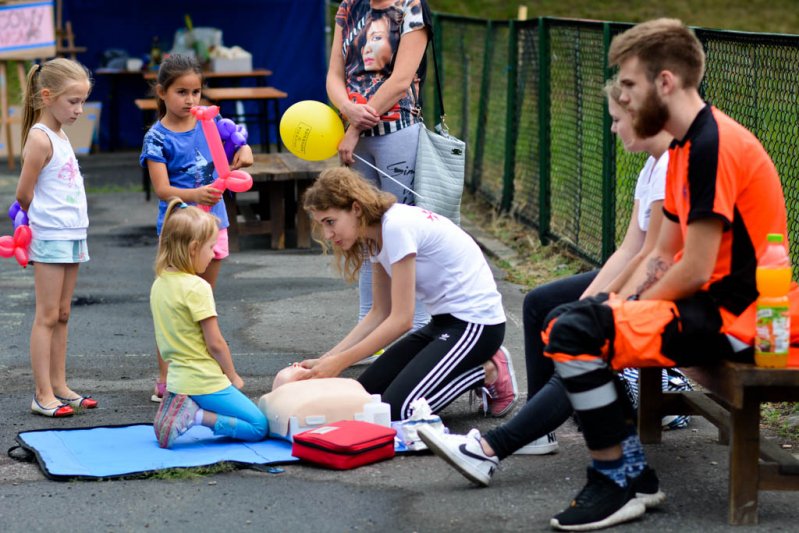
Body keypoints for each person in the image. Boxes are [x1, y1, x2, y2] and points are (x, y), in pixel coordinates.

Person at [543, 19, 787, 531]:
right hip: (706, 307)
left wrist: (621, 310)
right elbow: (659, 252)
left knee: (574, 332)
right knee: (569, 321)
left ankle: (616, 480)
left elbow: (694, 268)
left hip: (741, 320)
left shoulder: (714, 145)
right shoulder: (683, 146)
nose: (624, 99)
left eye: (629, 85)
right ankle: (632, 474)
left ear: (666, 82)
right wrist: (610, 303)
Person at [417, 80, 674, 487]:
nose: (612, 128)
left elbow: (656, 258)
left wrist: (596, 310)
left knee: (579, 332)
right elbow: (630, 249)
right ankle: (540, 429)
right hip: (652, 272)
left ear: (642, 117)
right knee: (543, 303)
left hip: (671, 286)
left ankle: (494, 446)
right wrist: (589, 302)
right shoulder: (652, 166)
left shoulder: (673, 163)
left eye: (617, 119)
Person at [295, 167, 518, 421]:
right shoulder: (373, 236)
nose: (327, 234)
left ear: (356, 208)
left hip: (476, 325)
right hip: (443, 324)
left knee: (398, 411)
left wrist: (340, 363)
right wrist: (328, 359)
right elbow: (379, 312)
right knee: (367, 397)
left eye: (330, 222)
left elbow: (402, 320)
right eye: (322, 224)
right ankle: (472, 364)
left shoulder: (396, 227)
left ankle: (488, 370)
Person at [140, 54, 253, 402]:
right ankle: (166, 381)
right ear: (162, 92)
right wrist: (195, 194)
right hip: (179, 230)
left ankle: (203, 375)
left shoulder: (210, 123)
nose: (190, 100)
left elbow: (238, 140)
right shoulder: (157, 138)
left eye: (196, 92)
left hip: (214, 225)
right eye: (181, 92)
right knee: (174, 306)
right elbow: (161, 189)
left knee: (203, 303)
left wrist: (244, 150)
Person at [329, 0, 432, 337]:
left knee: (402, 230)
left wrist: (355, 127)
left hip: (396, 132)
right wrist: (346, 107)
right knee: (366, 230)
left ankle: (415, 327)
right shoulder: (349, 7)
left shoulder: (411, 8)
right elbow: (334, 74)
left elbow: (402, 79)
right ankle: (370, 325)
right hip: (354, 137)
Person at [15, 58, 97, 417]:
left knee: (63, 313)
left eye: (82, 101)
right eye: (73, 101)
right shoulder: (40, 137)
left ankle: (60, 385)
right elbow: (23, 193)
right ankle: (42, 393)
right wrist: (41, 223)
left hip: (73, 236)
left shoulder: (61, 135)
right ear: (47, 96)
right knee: (47, 315)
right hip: (51, 238)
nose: (79, 109)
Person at [150, 198, 267, 449]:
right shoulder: (197, 287)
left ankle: (182, 406)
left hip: (178, 380)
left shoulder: (160, 283)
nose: (214, 254)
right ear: (193, 248)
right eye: (210, 247)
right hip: (204, 381)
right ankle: (195, 415)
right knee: (259, 426)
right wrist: (232, 375)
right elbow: (215, 343)